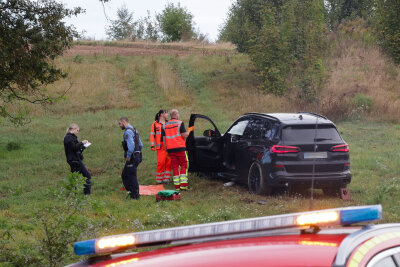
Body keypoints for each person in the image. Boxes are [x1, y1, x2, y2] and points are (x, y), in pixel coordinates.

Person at [162, 109, 194, 191]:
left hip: (170, 150)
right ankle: (183, 185)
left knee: (175, 167)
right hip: (180, 148)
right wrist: (190, 130)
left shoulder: (164, 125)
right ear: (176, 115)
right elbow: (184, 135)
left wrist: (167, 151)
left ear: (171, 115)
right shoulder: (180, 123)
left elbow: (164, 140)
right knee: (184, 165)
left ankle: (177, 187)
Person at [119, 117, 143, 200]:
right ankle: (131, 192)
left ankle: (135, 194)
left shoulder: (128, 132)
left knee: (131, 175)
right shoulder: (134, 130)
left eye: (120, 123)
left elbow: (131, 146)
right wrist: (138, 152)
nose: (120, 126)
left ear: (124, 122)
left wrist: (128, 156)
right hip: (138, 155)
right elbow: (140, 144)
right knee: (125, 174)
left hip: (132, 157)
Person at [63, 123, 91, 195]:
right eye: (77, 130)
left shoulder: (73, 137)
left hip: (76, 159)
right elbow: (73, 147)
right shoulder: (68, 138)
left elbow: (77, 150)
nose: (78, 132)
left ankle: (73, 193)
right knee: (86, 175)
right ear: (73, 129)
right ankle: (86, 194)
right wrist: (82, 142)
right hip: (74, 160)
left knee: (75, 177)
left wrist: (83, 147)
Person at [150, 109, 171, 184]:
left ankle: (166, 178)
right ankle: (159, 179)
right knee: (161, 162)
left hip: (168, 146)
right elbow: (152, 135)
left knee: (168, 162)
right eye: (166, 113)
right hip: (160, 147)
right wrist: (152, 145)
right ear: (161, 114)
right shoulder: (155, 124)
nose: (167, 115)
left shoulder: (168, 123)